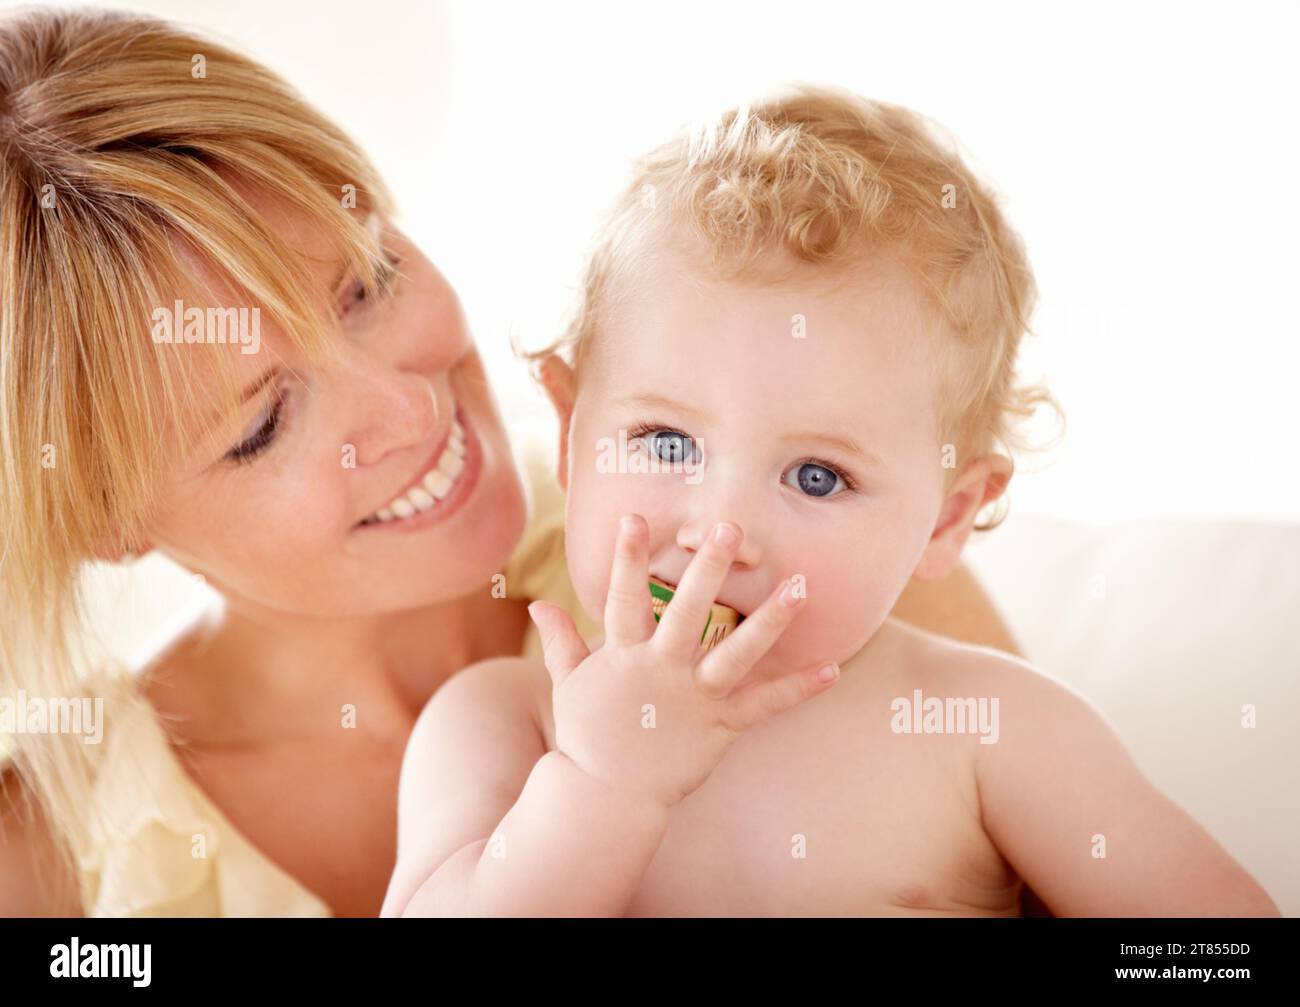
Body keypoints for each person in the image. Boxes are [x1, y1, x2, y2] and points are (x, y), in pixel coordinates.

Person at [1, 9, 1023, 917]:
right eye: (264, 423)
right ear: (103, 519)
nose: (411, 403)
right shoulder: (45, 855)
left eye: (369, 280)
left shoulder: (777, 549)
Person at [383, 86, 1280, 916]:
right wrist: (600, 783)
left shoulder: (986, 726)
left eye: (818, 476)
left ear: (948, 516)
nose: (716, 534)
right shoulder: (503, 721)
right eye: (666, 443)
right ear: (573, 439)